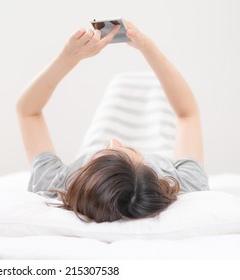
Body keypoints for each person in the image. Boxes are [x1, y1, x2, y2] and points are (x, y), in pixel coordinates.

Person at [16, 20, 209, 223]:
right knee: (150, 98)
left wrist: (67, 58)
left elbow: (28, 111)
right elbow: (186, 113)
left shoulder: (57, 183)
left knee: (120, 88)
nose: (114, 140)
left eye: (100, 155)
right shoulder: (185, 184)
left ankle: (113, 149)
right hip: (162, 145)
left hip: (101, 142)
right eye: (129, 150)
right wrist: (146, 46)